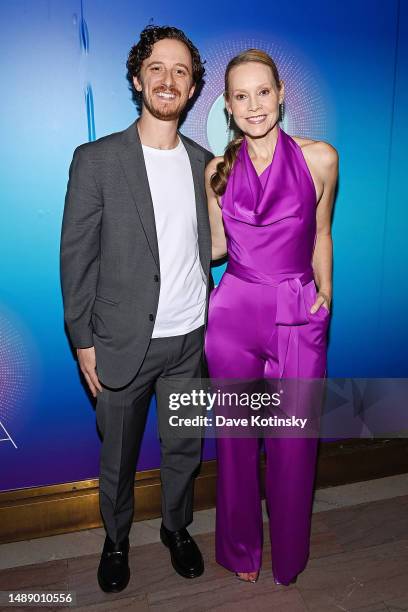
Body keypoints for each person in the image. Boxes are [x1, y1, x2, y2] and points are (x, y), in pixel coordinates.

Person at [60, 25, 213, 593]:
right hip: (123, 341)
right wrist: (83, 341)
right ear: (136, 78)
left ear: (193, 88)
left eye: (180, 71)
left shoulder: (206, 163)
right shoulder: (97, 160)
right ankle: (116, 539)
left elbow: (214, 241)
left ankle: (177, 528)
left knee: (184, 449)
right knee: (118, 459)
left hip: (190, 340)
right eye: (157, 68)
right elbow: (76, 258)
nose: (168, 79)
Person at [204, 49, 338, 585]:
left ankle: (289, 555)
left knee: (293, 442)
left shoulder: (320, 158)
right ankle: (240, 551)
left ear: (282, 94)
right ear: (229, 106)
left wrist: (325, 290)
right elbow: (214, 248)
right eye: (241, 96)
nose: (254, 105)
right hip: (234, 312)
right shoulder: (216, 170)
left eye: (263, 92)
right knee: (235, 442)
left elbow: (322, 232)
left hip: (296, 313)